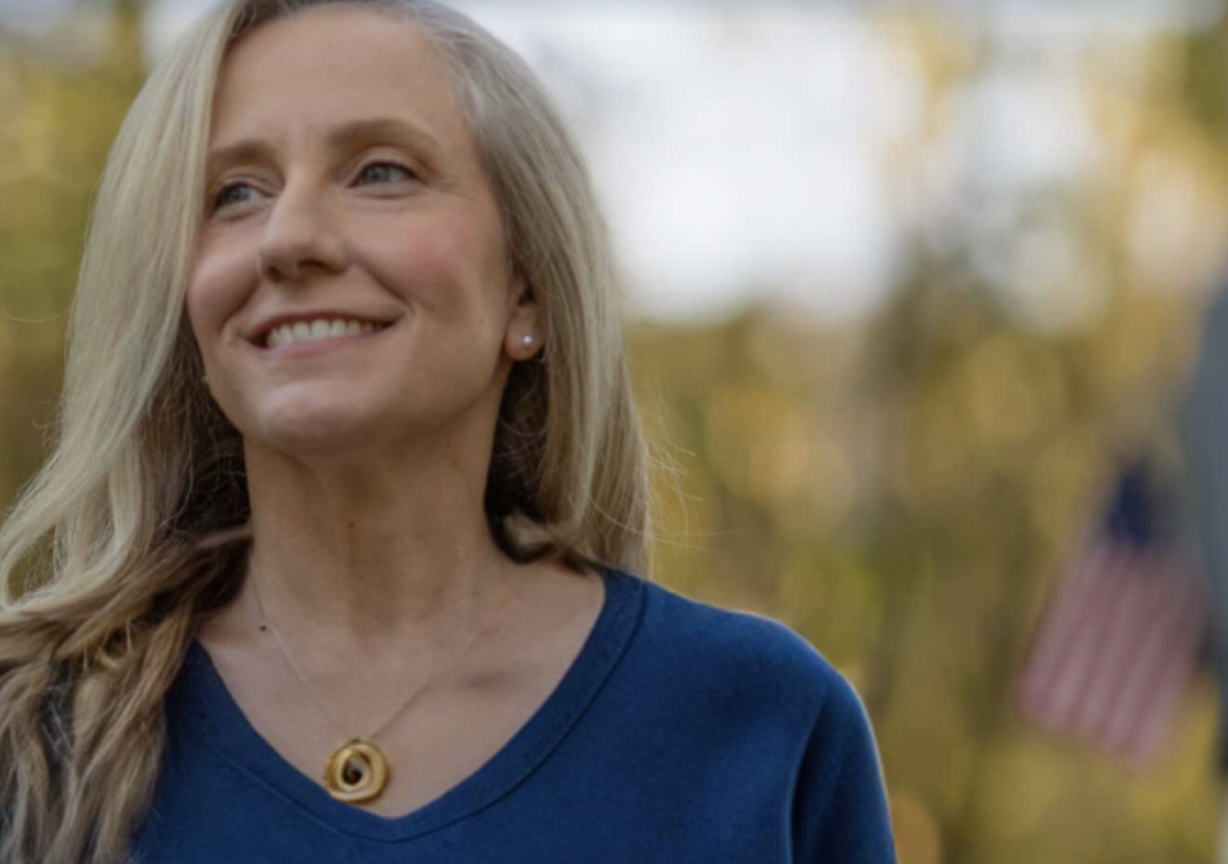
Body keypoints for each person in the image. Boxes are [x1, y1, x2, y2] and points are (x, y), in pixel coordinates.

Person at [0, 1, 897, 861]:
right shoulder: (28, 733)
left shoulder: (762, 724)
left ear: (528, 290)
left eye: (380, 171)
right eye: (235, 192)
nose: (289, 237)